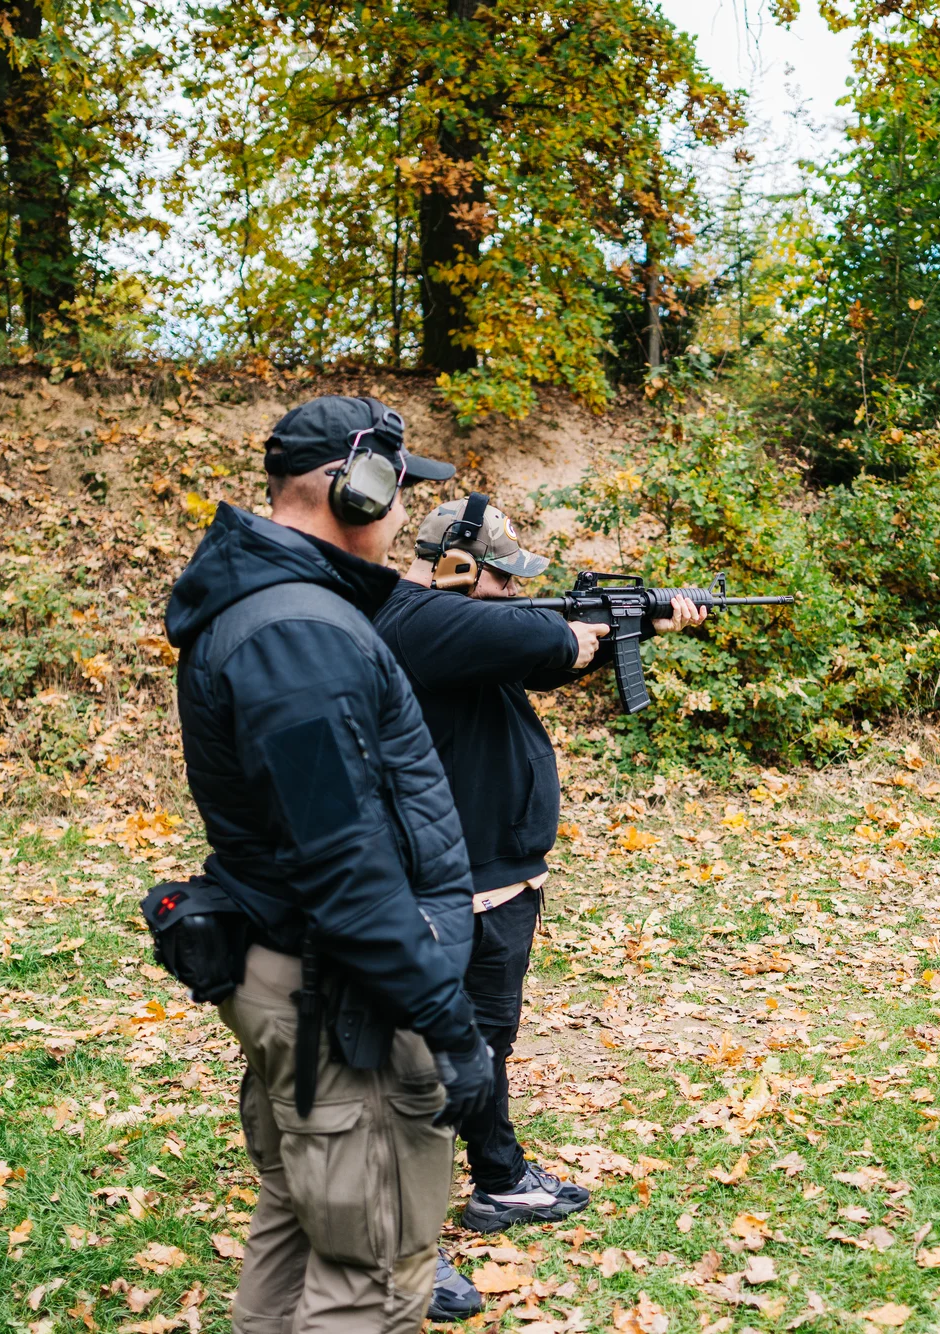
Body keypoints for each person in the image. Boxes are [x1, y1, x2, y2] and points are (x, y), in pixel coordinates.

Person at [164, 395, 494, 1334]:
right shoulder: (298, 635)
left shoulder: (279, 610)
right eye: (395, 491)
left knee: (304, 1221)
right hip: (341, 995)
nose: (400, 518)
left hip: (307, 973)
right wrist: (449, 1026)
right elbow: (346, 863)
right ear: (352, 486)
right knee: (377, 1270)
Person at [372, 494, 705, 1320]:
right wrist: (587, 628)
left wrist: (638, 624)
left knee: (487, 1041)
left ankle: (498, 1179)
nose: (516, 594)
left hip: (499, 877)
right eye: (501, 578)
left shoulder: (465, 632)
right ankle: (401, 1247)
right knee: (418, 1070)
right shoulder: (411, 619)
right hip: (437, 890)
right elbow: (534, 638)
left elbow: (540, 654)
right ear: (455, 565)